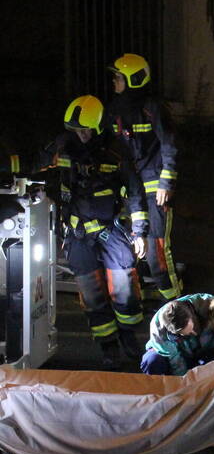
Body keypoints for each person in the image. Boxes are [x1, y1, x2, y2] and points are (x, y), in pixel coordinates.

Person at [42, 96, 149, 369]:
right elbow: (38, 163)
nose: (82, 135)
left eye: (87, 130)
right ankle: (108, 346)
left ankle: (128, 338)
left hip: (111, 232)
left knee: (124, 289)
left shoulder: (115, 152)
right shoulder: (64, 147)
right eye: (77, 130)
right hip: (78, 235)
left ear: (99, 127)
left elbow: (135, 191)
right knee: (92, 296)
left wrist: (139, 232)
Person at [104, 53, 181, 301]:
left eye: (118, 78)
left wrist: (166, 181)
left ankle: (176, 305)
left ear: (132, 79)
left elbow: (169, 143)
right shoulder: (114, 109)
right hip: (131, 189)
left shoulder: (153, 108)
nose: (114, 82)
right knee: (131, 246)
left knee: (157, 250)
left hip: (155, 185)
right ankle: (136, 301)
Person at [141, 292, 214, 375]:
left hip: (208, 349)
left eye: (193, 328)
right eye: (186, 333)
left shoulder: (210, 305)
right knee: (152, 360)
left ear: (191, 315)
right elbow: (176, 362)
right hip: (182, 355)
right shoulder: (160, 334)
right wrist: (183, 382)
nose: (194, 333)